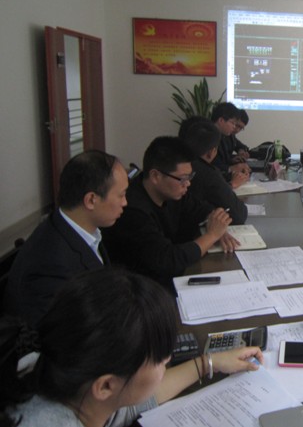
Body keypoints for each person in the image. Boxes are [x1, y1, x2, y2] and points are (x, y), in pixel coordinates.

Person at [1, 268, 263, 427]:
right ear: (105, 385)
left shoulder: (61, 373)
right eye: (159, 360)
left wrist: (209, 363)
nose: (168, 359)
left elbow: (135, 400)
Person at [3, 150, 128, 328]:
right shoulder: (51, 266)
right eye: (121, 195)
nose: (125, 203)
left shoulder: (77, 227)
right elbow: (63, 336)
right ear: (91, 200)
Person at [103, 136, 236, 289]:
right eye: (183, 178)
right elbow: (168, 260)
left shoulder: (173, 193)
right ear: (155, 176)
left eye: (190, 176)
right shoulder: (132, 211)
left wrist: (216, 220)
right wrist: (212, 235)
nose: (188, 183)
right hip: (140, 288)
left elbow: (202, 208)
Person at [180, 118, 248, 224]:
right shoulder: (206, 172)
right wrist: (230, 185)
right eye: (233, 123)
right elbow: (239, 214)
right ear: (212, 151)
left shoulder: (173, 163)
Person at [211, 103, 250, 179]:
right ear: (221, 120)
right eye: (233, 123)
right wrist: (231, 168)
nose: (234, 127)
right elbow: (210, 165)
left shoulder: (224, 135)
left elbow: (220, 160)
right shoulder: (209, 137)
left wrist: (231, 160)